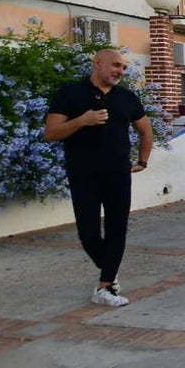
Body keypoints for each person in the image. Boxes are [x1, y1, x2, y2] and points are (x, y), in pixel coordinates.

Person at [44, 49, 153, 307]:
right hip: (83, 174)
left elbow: (145, 132)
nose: (120, 71)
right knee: (88, 233)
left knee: (118, 229)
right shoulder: (69, 93)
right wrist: (82, 120)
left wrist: (143, 161)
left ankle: (105, 287)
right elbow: (51, 132)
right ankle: (111, 274)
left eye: (124, 68)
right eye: (116, 65)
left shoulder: (127, 97)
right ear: (98, 63)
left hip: (118, 174)